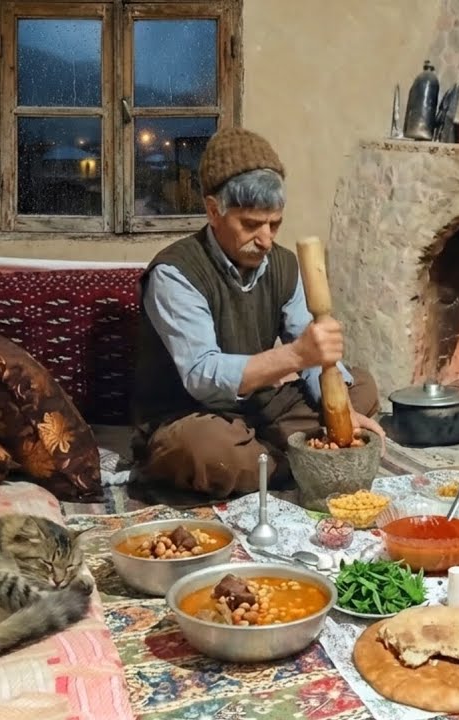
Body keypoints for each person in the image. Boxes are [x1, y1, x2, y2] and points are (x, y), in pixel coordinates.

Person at [132, 127, 383, 498]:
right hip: (191, 414)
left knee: (361, 387)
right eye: (251, 225)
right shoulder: (176, 272)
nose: (266, 239)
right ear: (214, 211)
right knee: (208, 452)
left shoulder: (283, 264)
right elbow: (202, 375)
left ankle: (277, 458)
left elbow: (312, 353)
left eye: (275, 223)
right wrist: (296, 355)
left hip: (262, 405)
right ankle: (294, 456)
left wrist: (340, 409)